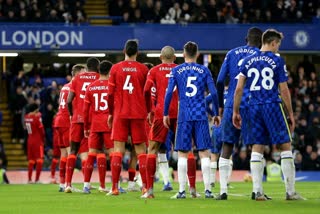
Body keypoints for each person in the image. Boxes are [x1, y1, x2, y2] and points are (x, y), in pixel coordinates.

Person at [233, 29, 303, 200]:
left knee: (257, 147)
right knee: (285, 146)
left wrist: (235, 111)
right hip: (271, 104)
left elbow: (239, 89)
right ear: (272, 43)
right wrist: (291, 113)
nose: (278, 48)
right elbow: (284, 89)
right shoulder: (277, 60)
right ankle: (290, 192)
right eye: (278, 44)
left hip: (252, 106)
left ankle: (257, 191)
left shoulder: (247, 61)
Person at [163, 41, 220, 199]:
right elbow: (214, 93)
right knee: (204, 153)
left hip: (184, 114)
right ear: (198, 54)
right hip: (201, 114)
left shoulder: (176, 70)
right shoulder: (204, 70)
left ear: (183, 54)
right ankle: (208, 190)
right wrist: (216, 112)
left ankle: (181, 191)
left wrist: (165, 113)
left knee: (182, 153)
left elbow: (169, 93)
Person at [216, 27, 263, 200]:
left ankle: (222, 191)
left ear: (246, 39)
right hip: (253, 104)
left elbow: (220, 80)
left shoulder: (231, 53)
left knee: (227, 145)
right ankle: (257, 190)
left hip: (231, 104)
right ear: (261, 41)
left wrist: (221, 104)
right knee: (256, 145)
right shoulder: (261, 55)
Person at [107, 39, 149, 196]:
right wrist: (149, 111)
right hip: (138, 113)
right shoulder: (144, 69)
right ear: (137, 53)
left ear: (124, 51)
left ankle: (115, 188)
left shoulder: (115, 69)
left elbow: (110, 94)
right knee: (140, 151)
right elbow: (147, 95)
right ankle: (145, 187)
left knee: (118, 150)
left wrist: (111, 113)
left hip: (120, 113)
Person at [142, 46, 178, 198]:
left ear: (160, 57)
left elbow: (146, 90)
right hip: (179, 112)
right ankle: (191, 190)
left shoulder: (154, 70)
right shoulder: (180, 69)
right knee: (186, 149)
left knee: (152, 149)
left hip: (160, 112)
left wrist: (149, 109)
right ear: (174, 57)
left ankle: (149, 191)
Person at [65, 60, 100, 193]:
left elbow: (69, 100)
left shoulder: (77, 78)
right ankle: (93, 184)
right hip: (92, 120)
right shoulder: (99, 77)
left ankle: (68, 184)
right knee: (96, 151)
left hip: (76, 119)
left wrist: (71, 114)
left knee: (73, 150)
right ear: (97, 67)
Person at [82, 60, 114, 193]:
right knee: (113, 154)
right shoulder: (112, 86)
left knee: (92, 154)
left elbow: (85, 110)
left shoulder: (90, 87)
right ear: (110, 71)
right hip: (108, 124)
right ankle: (113, 186)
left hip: (95, 125)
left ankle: (86, 185)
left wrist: (86, 127)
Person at [53, 65, 83, 192]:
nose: (84, 76)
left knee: (63, 154)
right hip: (66, 121)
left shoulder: (65, 86)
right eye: (82, 74)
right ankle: (68, 185)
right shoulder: (74, 86)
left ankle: (62, 183)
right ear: (76, 75)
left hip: (58, 120)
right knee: (71, 152)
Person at [24, 104, 45, 183]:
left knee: (31, 160)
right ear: (36, 109)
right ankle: (37, 179)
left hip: (29, 140)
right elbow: (42, 131)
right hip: (37, 141)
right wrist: (43, 140)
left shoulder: (26, 117)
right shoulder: (37, 118)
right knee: (40, 160)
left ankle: (29, 179)